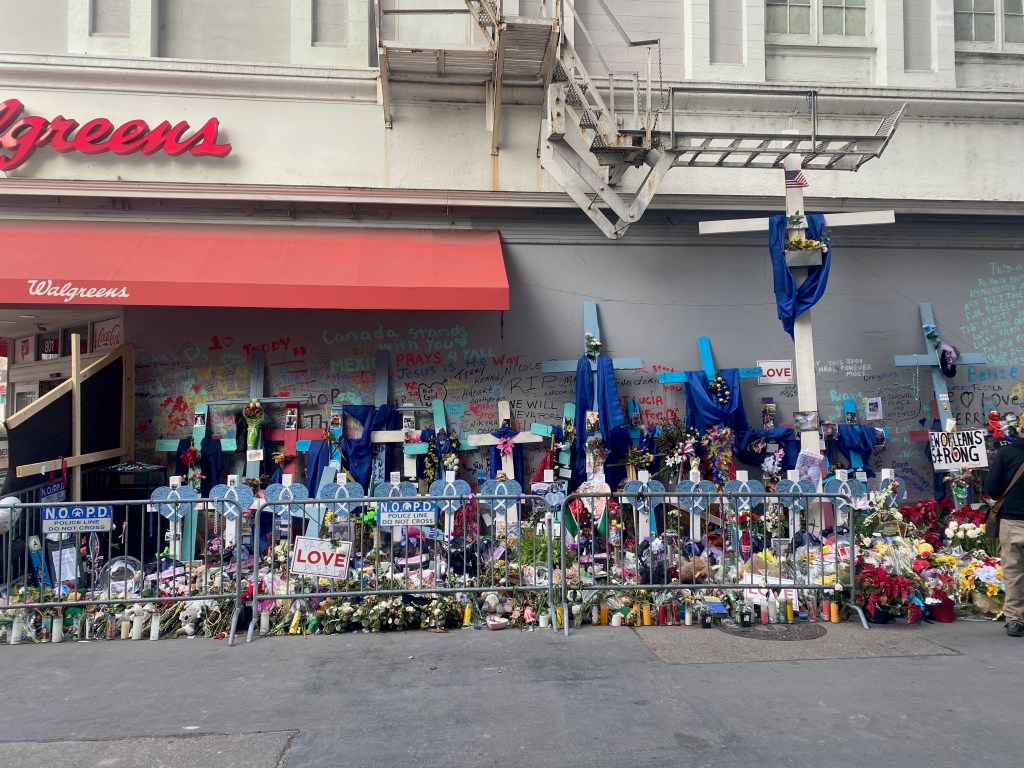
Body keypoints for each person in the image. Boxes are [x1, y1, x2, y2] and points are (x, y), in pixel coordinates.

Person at [984, 414, 1024, 637]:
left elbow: (993, 488)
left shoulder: (1006, 453)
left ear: (1020, 429)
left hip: (1013, 522)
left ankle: (1016, 621)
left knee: (1014, 572)